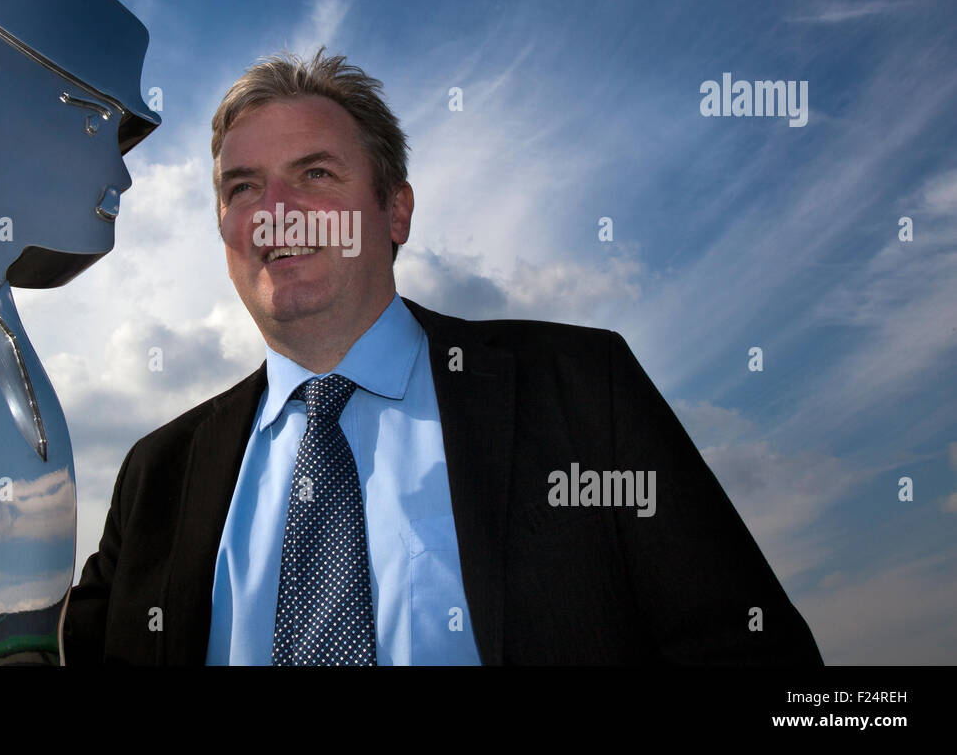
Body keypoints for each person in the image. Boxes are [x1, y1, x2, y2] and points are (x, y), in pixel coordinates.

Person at [62, 49, 823, 665]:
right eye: (242, 187)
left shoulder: (582, 390)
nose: (275, 212)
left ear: (396, 210)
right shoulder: (154, 475)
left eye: (315, 175)